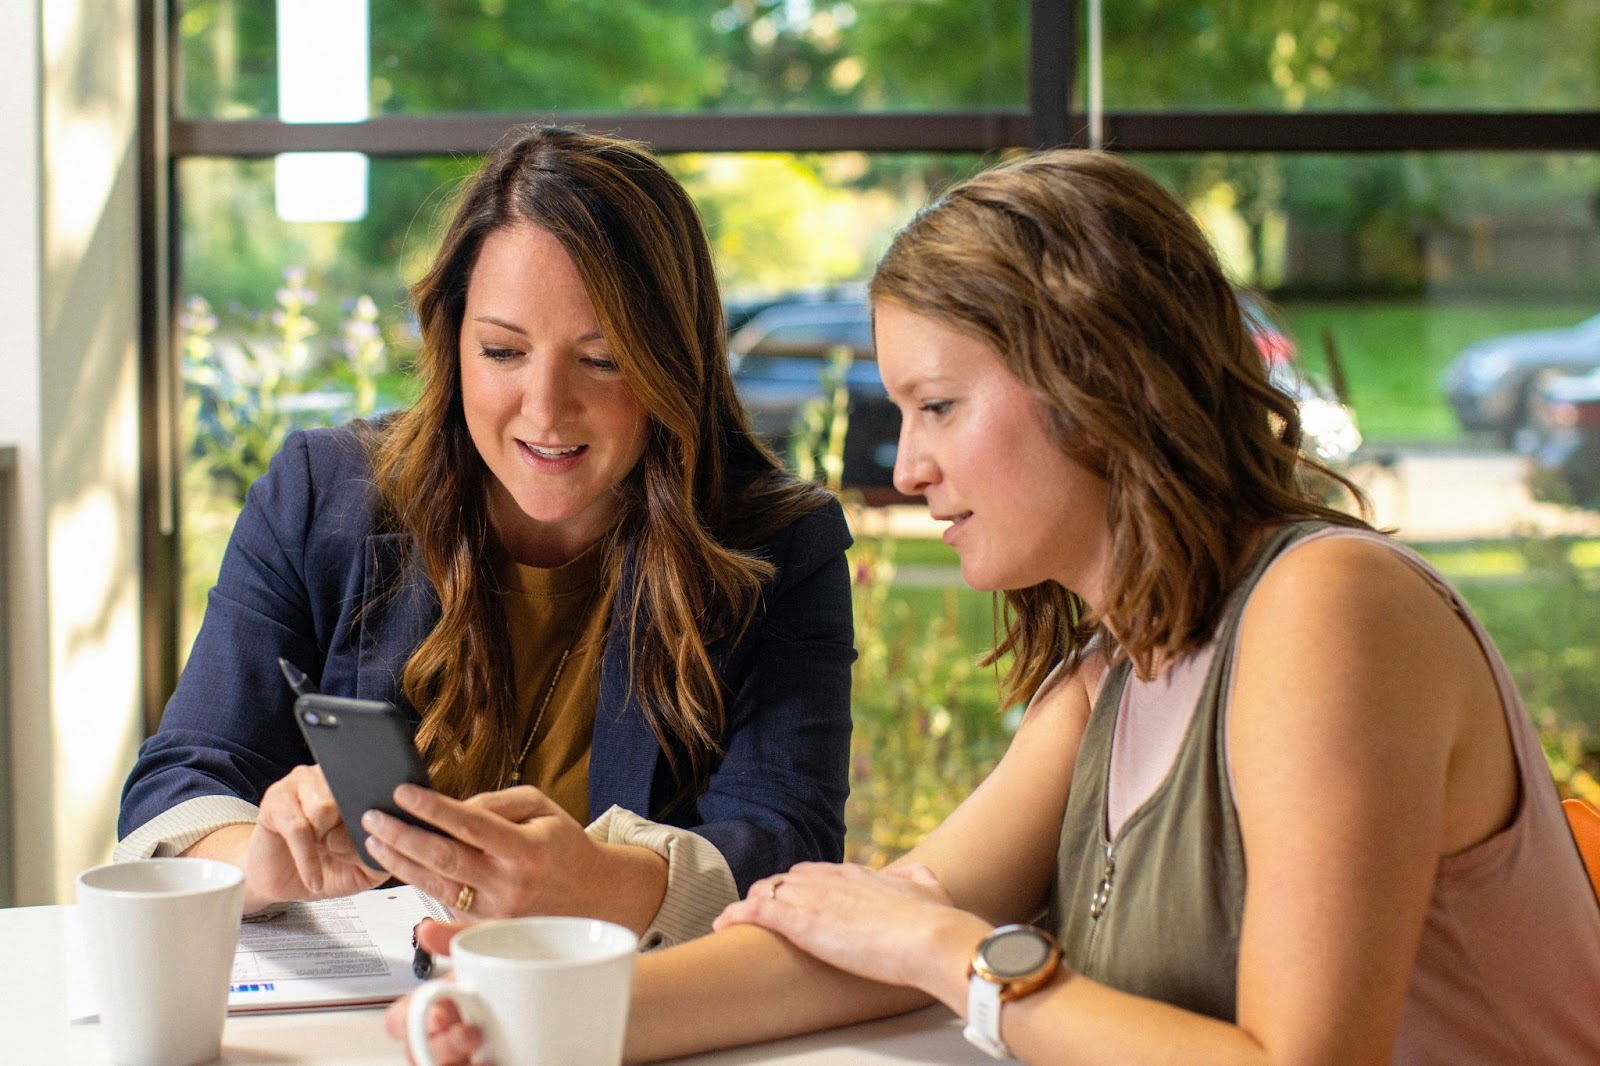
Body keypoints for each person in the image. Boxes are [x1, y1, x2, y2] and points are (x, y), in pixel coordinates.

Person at [398, 148, 1600, 1065]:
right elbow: (865, 943)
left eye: (939, 407)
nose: (907, 468)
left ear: (1094, 383)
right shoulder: (1115, 672)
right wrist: (528, 1009)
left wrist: (952, 956)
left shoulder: (1329, 610)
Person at [117, 125, 855, 948]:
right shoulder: (320, 497)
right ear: (452, 341)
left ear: (671, 363)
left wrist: (602, 884)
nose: (544, 410)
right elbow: (177, 785)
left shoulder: (782, 545)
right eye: (503, 350)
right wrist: (257, 860)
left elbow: (791, 845)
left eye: (603, 360)